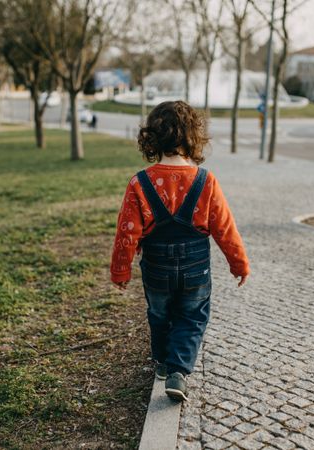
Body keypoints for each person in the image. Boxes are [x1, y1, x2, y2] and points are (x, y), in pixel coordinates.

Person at [110, 100, 250, 402]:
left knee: (159, 313)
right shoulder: (206, 181)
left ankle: (162, 361)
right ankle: (178, 371)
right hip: (195, 266)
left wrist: (120, 270)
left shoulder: (139, 183)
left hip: (156, 265)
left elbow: (127, 232)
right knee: (193, 316)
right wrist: (239, 264)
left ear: (152, 138)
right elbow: (225, 228)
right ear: (193, 137)